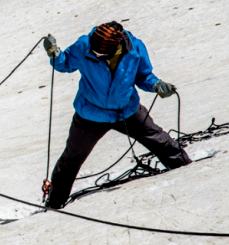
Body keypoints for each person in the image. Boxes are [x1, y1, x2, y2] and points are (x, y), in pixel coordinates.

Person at [42, 21, 191, 209]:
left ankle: (189, 171)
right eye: (94, 52)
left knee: (160, 141)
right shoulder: (83, 45)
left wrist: (155, 85)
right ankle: (53, 204)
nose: (96, 55)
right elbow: (65, 63)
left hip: (127, 110)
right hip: (91, 114)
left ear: (117, 47)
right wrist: (54, 53)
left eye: (101, 54)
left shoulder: (135, 49)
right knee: (71, 159)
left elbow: (143, 76)